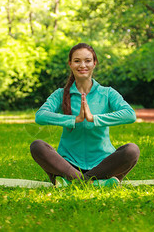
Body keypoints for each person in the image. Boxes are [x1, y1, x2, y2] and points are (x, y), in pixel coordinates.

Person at [30, 43, 140, 187]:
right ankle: (96, 183)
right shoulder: (60, 94)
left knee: (132, 150)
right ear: (70, 64)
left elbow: (130, 115)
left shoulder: (107, 93)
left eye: (87, 60)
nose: (83, 65)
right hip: (68, 165)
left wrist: (94, 118)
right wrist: (74, 120)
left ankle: (75, 182)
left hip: (103, 164)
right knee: (37, 146)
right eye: (77, 61)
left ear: (94, 63)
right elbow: (40, 116)